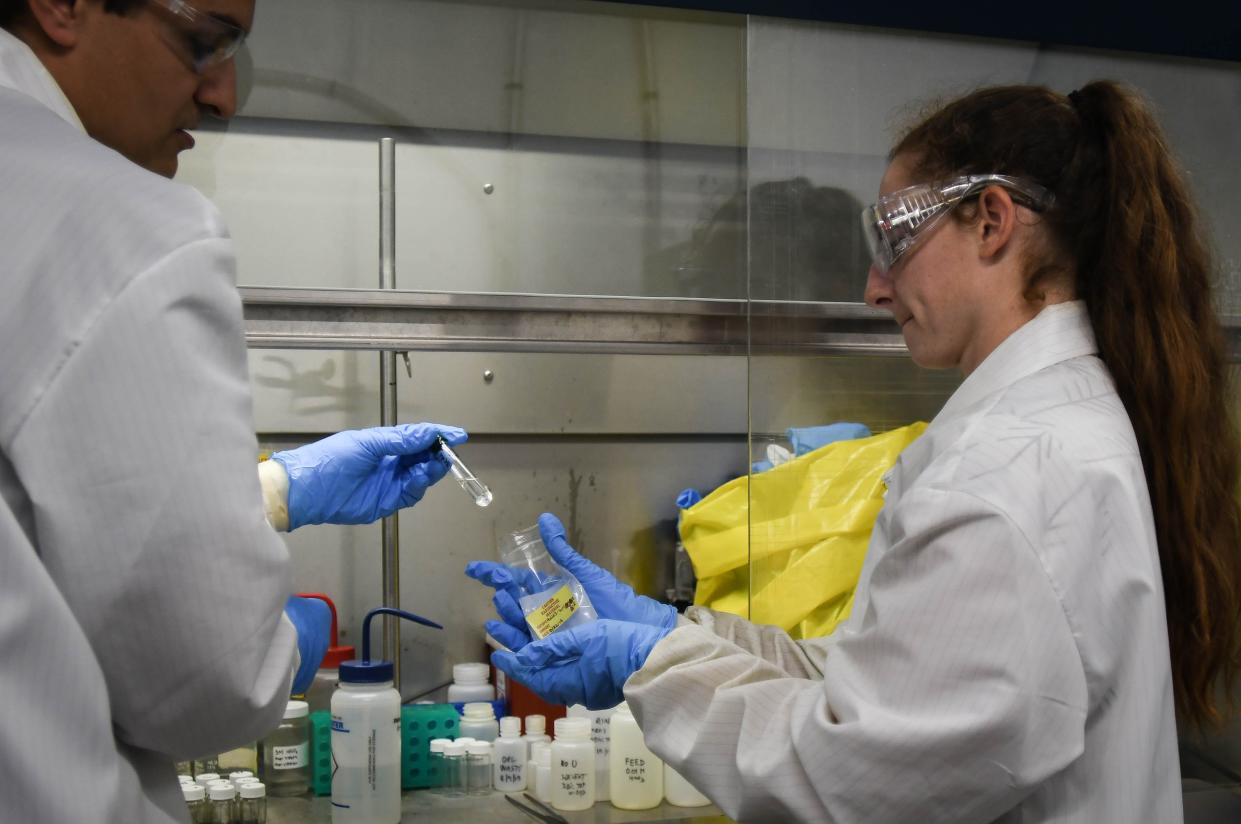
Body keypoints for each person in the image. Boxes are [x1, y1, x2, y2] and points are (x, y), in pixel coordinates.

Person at [468, 80, 1241, 822]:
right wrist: (672, 636)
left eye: (893, 236)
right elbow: (876, 691)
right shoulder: (1050, 425)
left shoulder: (1003, 471)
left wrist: (647, 667)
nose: (874, 287)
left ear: (991, 221)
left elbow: (850, 777)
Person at [0, 1, 465, 821]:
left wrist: (277, 490)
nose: (222, 94)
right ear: (61, 5)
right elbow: (207, 691)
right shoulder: (126, 227)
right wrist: (268, 641)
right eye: (204, 41)